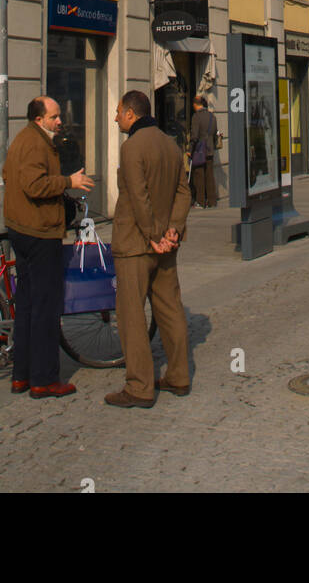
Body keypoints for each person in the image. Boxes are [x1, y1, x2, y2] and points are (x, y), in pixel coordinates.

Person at [3, 96, 94, 399]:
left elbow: (9, 175)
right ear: (39, 118)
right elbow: (33, 184)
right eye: (54, 117)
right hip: (38, 232)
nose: (60, 122)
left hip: (24, 228)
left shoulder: (25, 139)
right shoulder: (34, 143)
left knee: (28, 304)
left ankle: (22, 375)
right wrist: (68, 181)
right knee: (45, 307)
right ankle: (43, 379)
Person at [107, 90, 191, 408]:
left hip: (136, 244)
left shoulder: (132, 148)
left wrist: (154, 234)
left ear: (131, 113)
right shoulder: (170, 145)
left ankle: (140, 386)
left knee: (131, 315)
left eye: (118, 112)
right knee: (170, 308)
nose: (116, 117)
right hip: (166, 245)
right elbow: (185, 191)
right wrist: (174, 229)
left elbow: (139, 198)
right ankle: (179, 376)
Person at [188, 94, 218, 208]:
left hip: (199, 150)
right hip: (210, 149)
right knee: (210, 175)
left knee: (199, 176)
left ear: (196, 104)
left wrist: (190, 149)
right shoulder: (212, 116)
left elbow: (194, 136)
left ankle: (200, 201)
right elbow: (215, 133)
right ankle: (212, 201)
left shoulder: (196, 117)